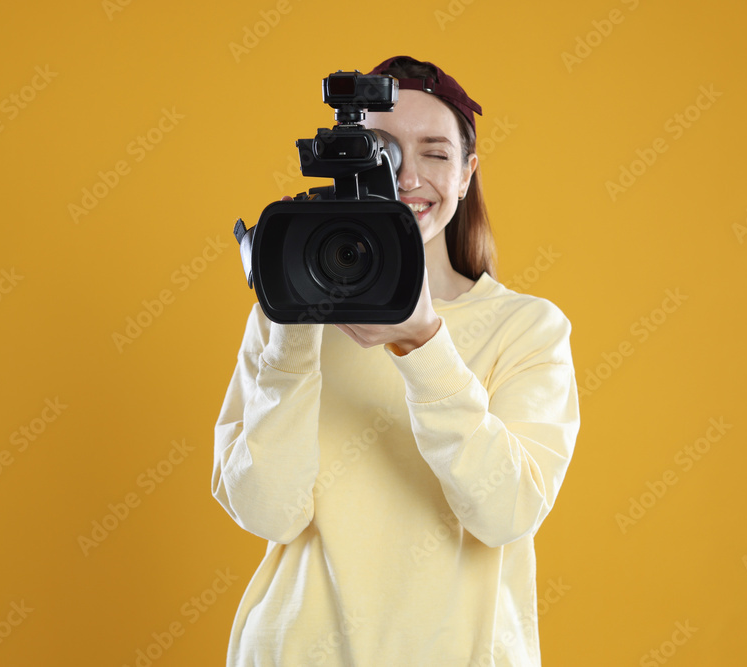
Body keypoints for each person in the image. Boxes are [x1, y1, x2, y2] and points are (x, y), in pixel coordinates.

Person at [212, 55, 580, 666]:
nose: (406, 176)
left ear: (467, 175)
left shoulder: (527, 327)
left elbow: (506, 511)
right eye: (381, 152)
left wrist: (424, 342)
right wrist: (292, 334)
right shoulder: (281, 322)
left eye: (435, 153)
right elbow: (267, 513)